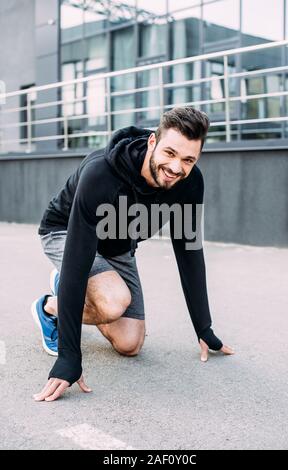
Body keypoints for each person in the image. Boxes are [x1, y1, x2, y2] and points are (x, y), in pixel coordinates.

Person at [32, 107, 234, 402]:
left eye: (188, 159)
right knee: (113, 301)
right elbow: (78, 261)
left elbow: (189, 252)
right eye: (170, 153)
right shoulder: (102, 173)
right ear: (153, 142)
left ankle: (74, 293)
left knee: (130, 344)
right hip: (65, 232)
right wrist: (69, 358)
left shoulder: (189, 183)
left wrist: (204, 328)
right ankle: (50, 307)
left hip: (117, 246)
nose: (177, 167)